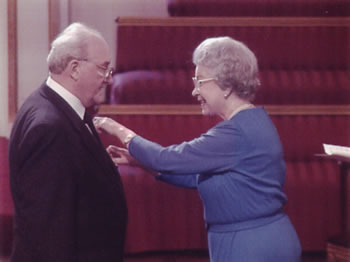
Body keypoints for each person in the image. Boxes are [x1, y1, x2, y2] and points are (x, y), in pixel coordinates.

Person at [94, 36, 301, 262]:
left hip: (251, 246)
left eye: (200, 81)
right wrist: (138, 161)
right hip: (253, 240)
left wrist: (114, 127)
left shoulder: (235, 133)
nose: (194, 91)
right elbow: (196, 177)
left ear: (227, 86)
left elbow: (166, 159)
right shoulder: (252, 122)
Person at [8, 23, 127, 262]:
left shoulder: (51, 106)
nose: (109, 79)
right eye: (103, 68)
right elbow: (48, 231)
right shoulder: (49, 128)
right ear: (74, 68)